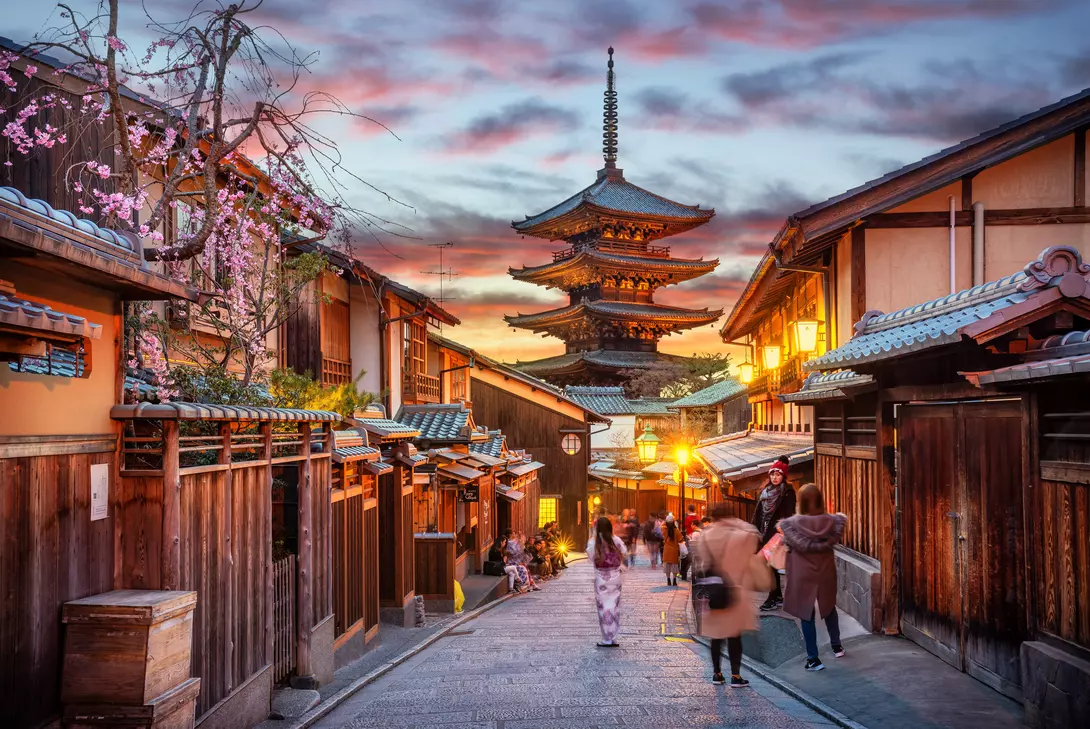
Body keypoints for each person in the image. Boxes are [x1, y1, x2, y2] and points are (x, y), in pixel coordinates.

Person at [779, 484, 847, 671]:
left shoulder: (791, 524)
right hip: (825, 570)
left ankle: (813, 659)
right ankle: (837, 646)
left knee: (806, 613)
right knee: (828, 606)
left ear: (800, 502)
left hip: (803, 572)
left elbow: (788, 544)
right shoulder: (832, 522)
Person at [697, 502, 762, 687]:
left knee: (716, 635)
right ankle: (735, 676)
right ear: (730, 516)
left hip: (714, 588)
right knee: (734, 635)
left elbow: (703, 562)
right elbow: (755, 535)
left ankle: (717, 673)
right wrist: (736, 522)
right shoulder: (739, 535)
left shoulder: (705, 535)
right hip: (735, 589)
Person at [751, 456, 797, 611]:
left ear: (783, 476)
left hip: (778, 533)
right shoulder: (766, 492)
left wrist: (783, 533)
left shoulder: (787, 492)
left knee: (771, 565)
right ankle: (777, 596)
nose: (775, 477)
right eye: (772, 474)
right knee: (769, 565)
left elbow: (788, 515)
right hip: (764, 532)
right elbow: (758, 513)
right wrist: (754, 529)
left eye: (778, 475)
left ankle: (772, 597)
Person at [588, 516, 628, 647]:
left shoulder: (594, 542)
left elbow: (590, 556)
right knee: (614, 606)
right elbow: (624, 552)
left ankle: (606, 638)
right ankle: (613, 636)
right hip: (615, 575)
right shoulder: (615, 540)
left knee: (603, 607)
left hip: (601, 576)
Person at [661, 514, 682, 586]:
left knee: (667, 565)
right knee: (674, 566)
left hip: (666, 550)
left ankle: (668, 580)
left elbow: (663, 524)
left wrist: (666, 521)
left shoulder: (664, 529)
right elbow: (681, 539)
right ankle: (674, 580)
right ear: (673, 522)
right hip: (674, 551)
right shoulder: (676, 530)